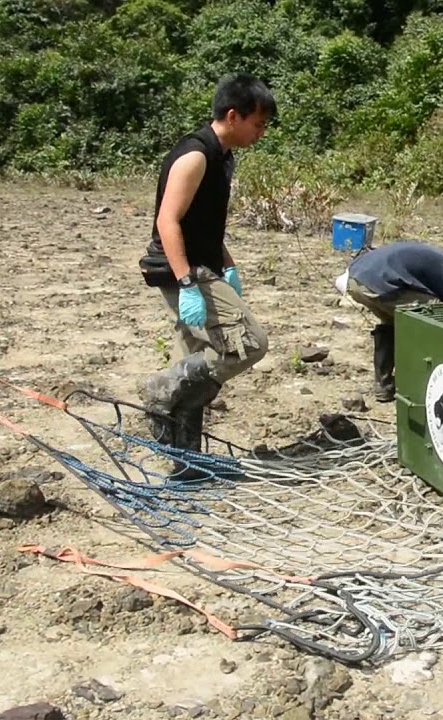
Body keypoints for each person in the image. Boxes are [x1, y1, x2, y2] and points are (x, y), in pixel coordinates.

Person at [136, 73, 277, 475]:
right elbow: (168, 221)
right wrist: (187, 284)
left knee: (196, 360)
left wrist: (228, 266)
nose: (261, 133)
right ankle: (160, 388)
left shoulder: (222, 156)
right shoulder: (196, 155)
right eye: (258, 123)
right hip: (183, 269)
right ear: (234, 115)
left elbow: (206, 224)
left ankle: (186, 466)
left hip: (202, 265)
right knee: (250, 343)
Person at [343, 241, 443, 402]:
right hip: (380, 283)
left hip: (357, 279)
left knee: (391, 323)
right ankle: (422, 382)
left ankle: (383, 387)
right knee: (434, 314)